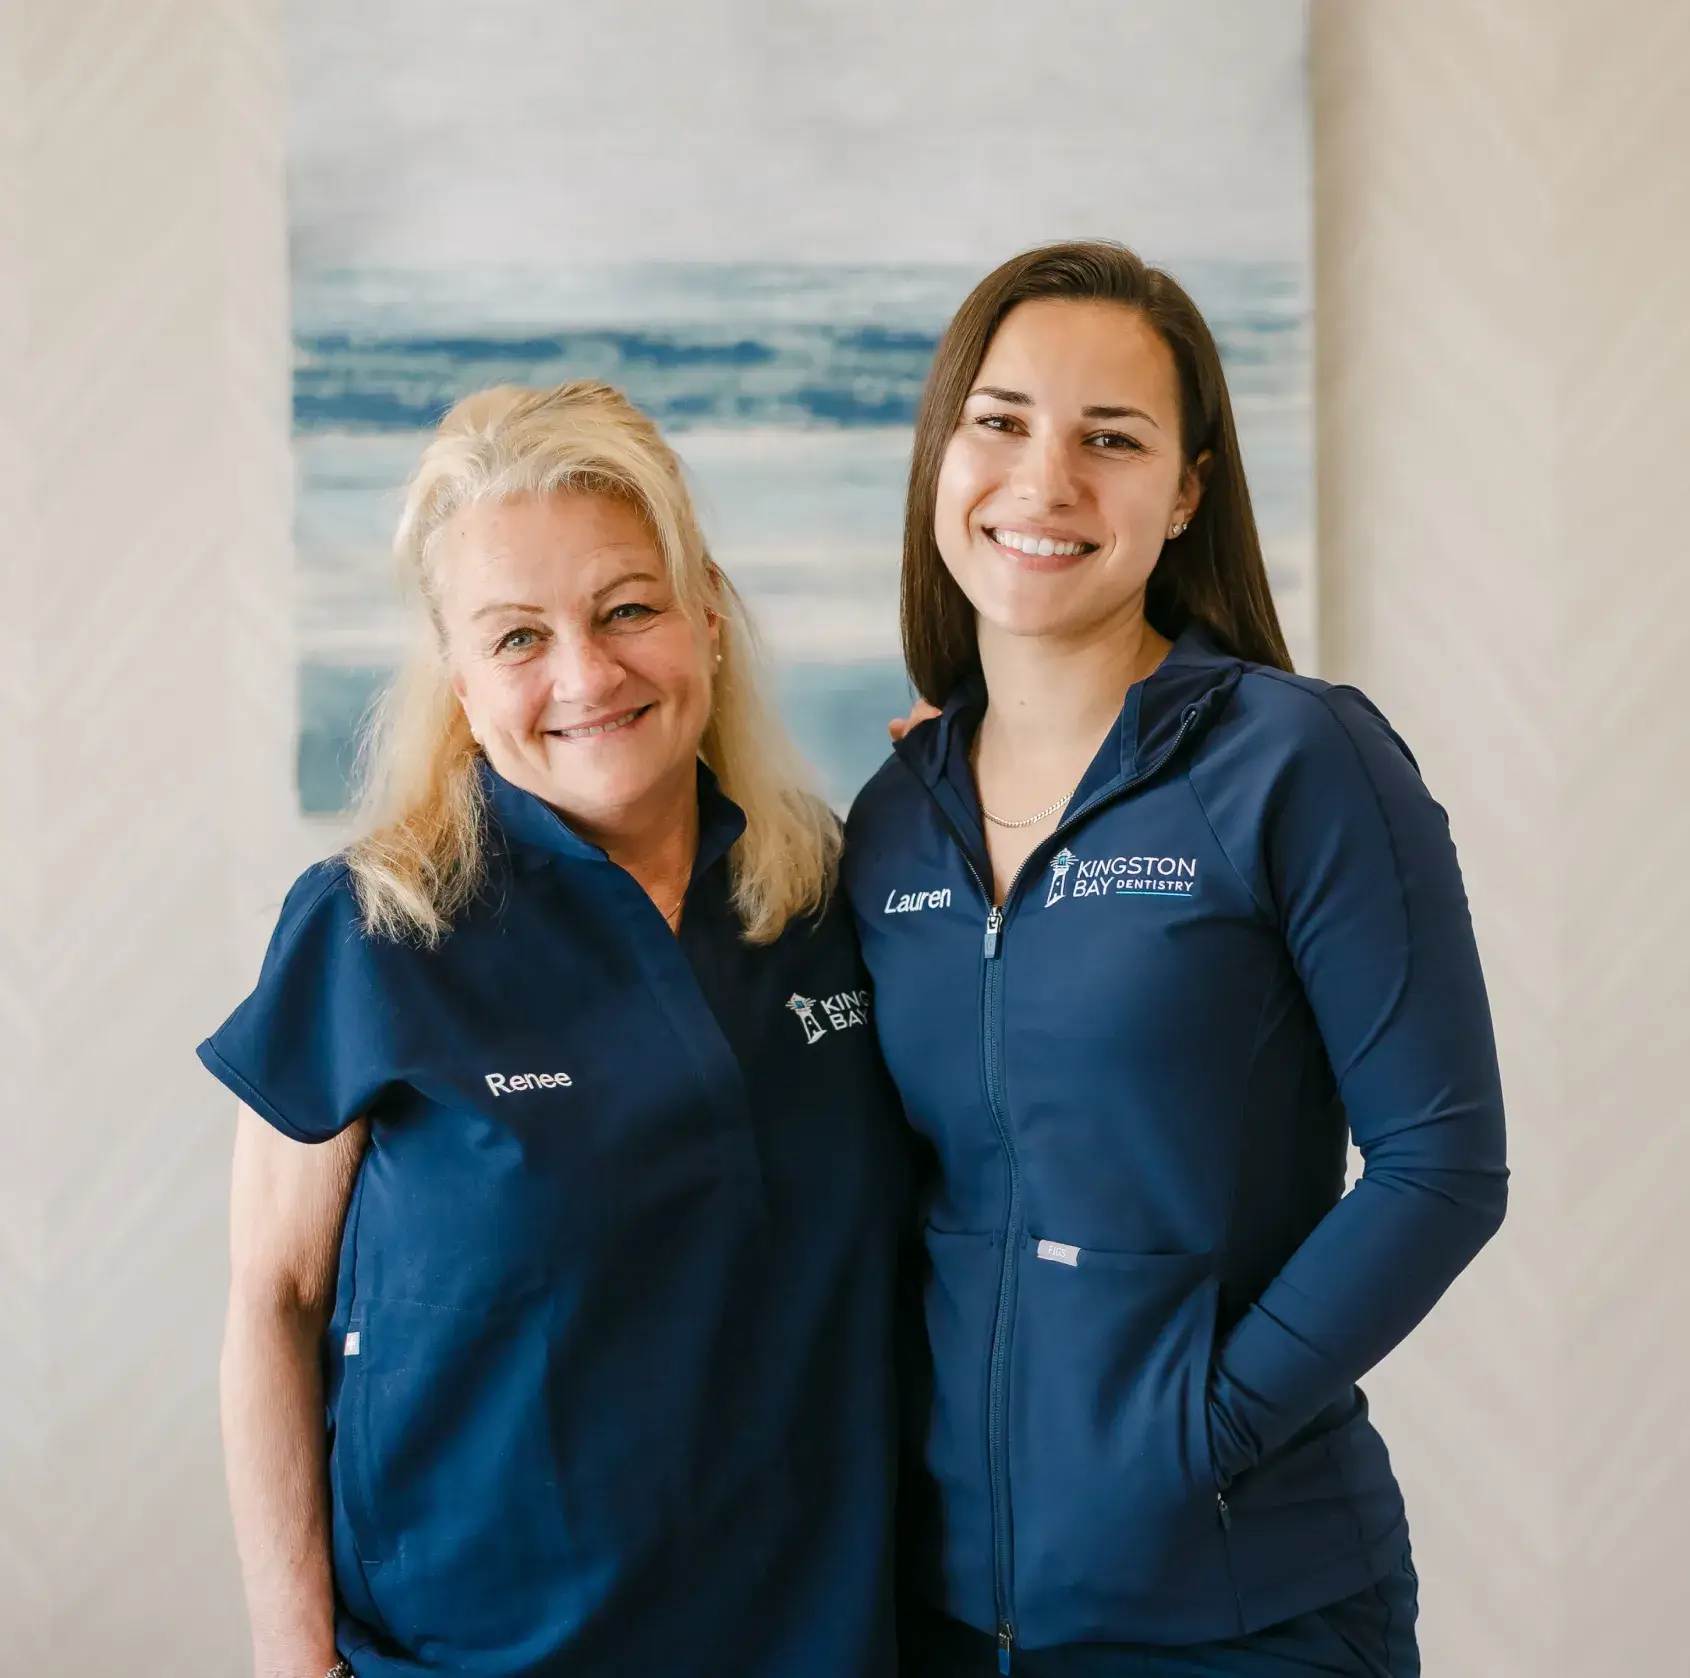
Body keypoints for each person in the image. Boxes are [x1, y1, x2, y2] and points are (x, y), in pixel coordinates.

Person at [847, 242, 1508, 1676]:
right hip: (951, 1614)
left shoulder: (1295, 759)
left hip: (1239, 1606)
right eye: (1001, 421)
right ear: (941, 450)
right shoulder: (892, 821)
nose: (1043, 481)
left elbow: (1440, 1166)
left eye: (1111, 439)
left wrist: (1195, 1436)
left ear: (1187, 490)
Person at [202, 382, 906, 1678]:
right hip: (468, 1651)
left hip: (818, 1637)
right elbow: (274, 1298)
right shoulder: (369, 930)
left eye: (628, 607)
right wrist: (290, 1655)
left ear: (708, 617)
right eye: (517, 636)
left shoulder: (836, 898)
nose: (585, 673)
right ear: (460, 682)